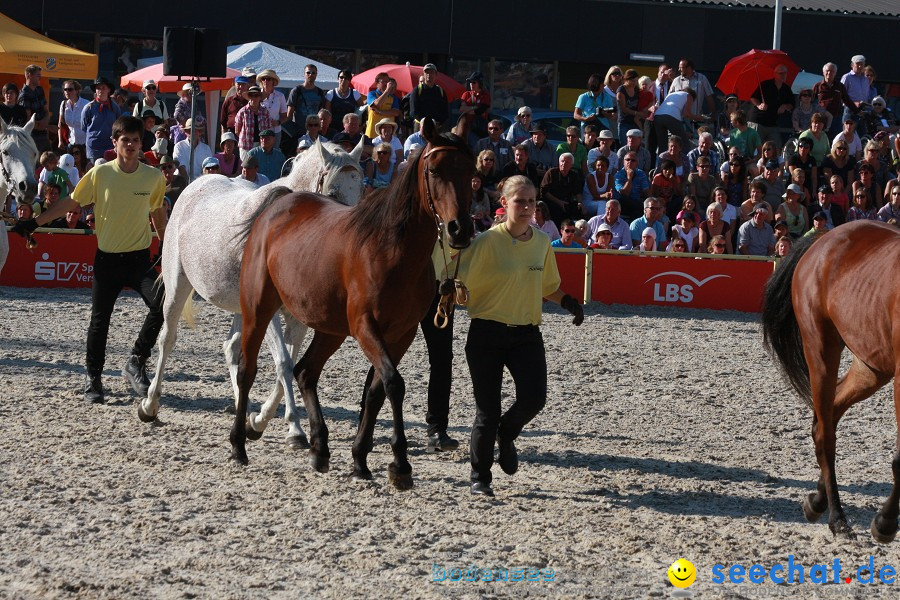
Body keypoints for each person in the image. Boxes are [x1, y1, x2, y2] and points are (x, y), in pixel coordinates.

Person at [12, 115, 167, 403]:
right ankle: (93, 379)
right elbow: (72, 203)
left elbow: (158, 212)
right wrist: (35, 222)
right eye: (125, 140)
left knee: (162, 303)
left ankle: (136, 360)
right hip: (107, 260)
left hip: (139, 259)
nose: (131, 145)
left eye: (135, 140)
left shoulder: (153, 177)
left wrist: (166, 245)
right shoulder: (100, 174)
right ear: (115, 143)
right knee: (99, 321)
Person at [456, 175, 583, 497]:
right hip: (486, 333)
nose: (527, 207)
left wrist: (567, 301)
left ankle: (507, 434)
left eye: (531, 201)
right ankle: (480, 478)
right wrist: (454, 292)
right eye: (520, 201)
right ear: (504, 203)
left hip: (527, 333)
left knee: (534, 399)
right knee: (488, 410)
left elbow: (547, 286)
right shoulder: (486, 242)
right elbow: (460, 284)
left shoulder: (542, 243)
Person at [748, 64, 795, 146]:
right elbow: (753, 98)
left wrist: (785, 106)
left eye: (785, 73)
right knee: (757, 148)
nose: (783, 75)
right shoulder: (765, 85)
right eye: (781, 73)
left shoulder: (787, 89)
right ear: (775, 74)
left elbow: (792, 104)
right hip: (758, 121)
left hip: (773, 123)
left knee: (775, 147)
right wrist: (759, 105)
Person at [82, 77, 121, 164]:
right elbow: (84, 127)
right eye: (98, 88)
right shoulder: (89, 107)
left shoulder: (115, 107)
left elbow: (119, 126)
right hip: (94, 147)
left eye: (103, 87)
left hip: (110, 146)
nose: (100, 90)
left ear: (108, 90)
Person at [653, 88, 704, 155]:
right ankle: (685, 162)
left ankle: (662, 163)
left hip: (658, 116)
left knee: (662, 145)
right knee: (684, 143)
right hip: (671, 116)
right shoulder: (689, 96)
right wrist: (699, 118)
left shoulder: (671, 94)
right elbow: (686, 113)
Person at [813, 62, 857, 138]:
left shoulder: (840, 86)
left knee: (836, 140)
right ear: (823, 72)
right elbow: (812, 101)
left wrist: (857, 111)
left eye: (832, 71)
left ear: (835, 73)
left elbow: (847, 100)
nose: (829, 73)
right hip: (822, 119)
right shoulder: (818, 86)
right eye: (827, 70)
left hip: (836, 119)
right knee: (821, 138)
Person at [540, 153, 583, 225]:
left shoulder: (573, 175)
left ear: (571, 165)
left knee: (579, 210)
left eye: (567, 162)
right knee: (556, 211)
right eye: (562, 161)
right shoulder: (551, 172)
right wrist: (559, 202)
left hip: (567, 201)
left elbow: (577, 191)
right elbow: (544, 191)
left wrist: (580, 202)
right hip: (552, 201)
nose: (564, 163)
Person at [18, 64, 51, 153]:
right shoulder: (24, 95)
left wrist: (45, 121)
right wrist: (42, 126)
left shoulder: (39, 90)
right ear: (29, 75)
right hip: (32, 135)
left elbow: (46, 109)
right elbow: (28, 119)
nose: (40, 77)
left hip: (43, 134)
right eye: (38, 75)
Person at [234, 85, 273, 162]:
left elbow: (268, 130)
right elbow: (237, 131)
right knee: (245, 167)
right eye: (251, 95)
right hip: (246, 146)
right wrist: (246, 139)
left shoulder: (265, 112)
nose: (254, 98)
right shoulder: (242, 111)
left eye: (256, 95)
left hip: (261, 145)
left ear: (260, 97)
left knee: (259, 167)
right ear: (249, 97)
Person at [286, 65, 326, 135]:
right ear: (304, 74)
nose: (311, 74)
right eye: (308, 72)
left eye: (313, 73)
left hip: (315, 131)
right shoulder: (296, 91)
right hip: (298, 131)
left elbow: (321, 113)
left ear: (316, 74)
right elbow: (289, 114)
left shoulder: (320, 92)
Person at [614, 150, 651, 220]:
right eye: (627, 160)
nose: (630, 162)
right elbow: (624, 194)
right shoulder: (618, 175)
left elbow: (646, 191)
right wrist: (629, 178)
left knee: (638, 213)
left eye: (633, 160)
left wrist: (652, 202)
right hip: (622, 204)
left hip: (636, 204)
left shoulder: (641, 173)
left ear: (637, 163)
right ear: (623, 162)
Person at [409, 63, 448, 129]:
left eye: (431, 72)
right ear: (423, 74)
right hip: (420, 126)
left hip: (436, 127)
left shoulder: (440, 91)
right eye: (426, 72)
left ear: (436, 74)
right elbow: (413, 112)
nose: (428, 74)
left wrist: (438, 122)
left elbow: (445, 111)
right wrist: (425, 123)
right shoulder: (417, 90)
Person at [840, 55, 871, 134]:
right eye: (857, 64)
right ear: (852, 65)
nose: (860, 66)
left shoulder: (866, 79)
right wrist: (853, 104)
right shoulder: (847, 77)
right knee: (848, 135)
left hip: (863, 111)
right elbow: (840, 96)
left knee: (862, 136)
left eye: (862, 64)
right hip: (850, 111)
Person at [58, 80, 89, 150]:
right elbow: (60, 124)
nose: (67, 91)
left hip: (85, 144)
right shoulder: (63, 104)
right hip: (71, 143)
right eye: (65, 89)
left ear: (77, 91)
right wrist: (60, 141)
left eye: (70, 89)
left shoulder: (86, 104)